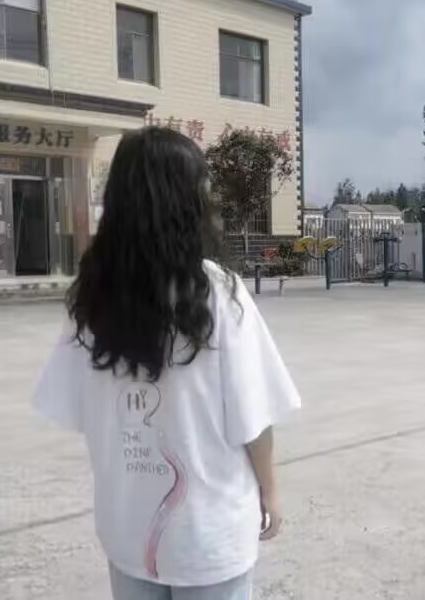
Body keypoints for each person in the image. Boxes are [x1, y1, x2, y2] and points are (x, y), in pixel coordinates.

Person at [33, 127, 300, 599]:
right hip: (209, 536)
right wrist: (270, 492)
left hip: (128, 532)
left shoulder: (93, 298)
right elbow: (254, 418)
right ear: (187, 201)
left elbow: (76, 408)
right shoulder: (220, 293)